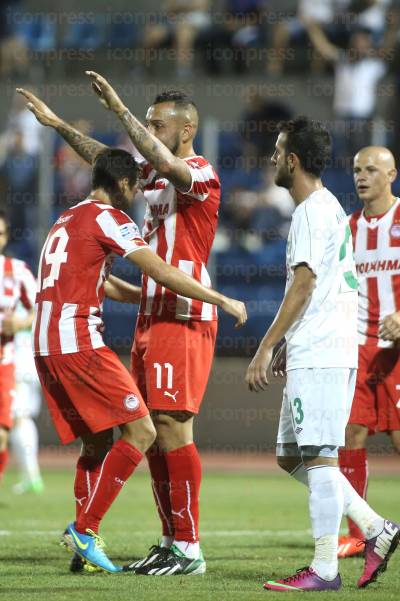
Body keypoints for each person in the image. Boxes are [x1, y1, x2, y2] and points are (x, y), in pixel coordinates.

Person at [17, 75, 226, 576]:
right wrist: (59, 125)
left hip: (181, 311)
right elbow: (112, 166)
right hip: (150, 316)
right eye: (146, 122)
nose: (147, 132)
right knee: (149, 431)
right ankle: (169, 538)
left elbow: (162, 161)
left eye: (158, 124)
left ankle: (189, 547)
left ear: (187, 128)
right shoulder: (148, 178)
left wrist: (117, 108)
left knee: (171, 426)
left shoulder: (198, 172)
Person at [245, 117, 399, 591]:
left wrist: (267, 344)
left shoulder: (312, 210)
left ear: (292, 161)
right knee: (291, 455)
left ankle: (325, 568)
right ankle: (376, 528)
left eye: (276, 152)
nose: (272, 159)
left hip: (323, 351)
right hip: (319, 347)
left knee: (319, 457)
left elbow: (305, 282)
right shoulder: (331, 208)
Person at [338, 146, 400, 558]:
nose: (362, 176)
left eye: (372, 169)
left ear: (392, 174)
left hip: (397, 351)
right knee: (351, 434)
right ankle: (359, 532)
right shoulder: (348, 227)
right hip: (358, 347)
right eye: (358, 170)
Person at [0, 210, 36, 484]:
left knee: (2, 432)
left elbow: (39, 308)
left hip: (5, 360)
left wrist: (21, 323)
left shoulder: (17, 271)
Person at [10, 303, 44, 495]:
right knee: (22, 418)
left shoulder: (11, 278)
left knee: (18, 418)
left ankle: (32, 477)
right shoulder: (28, 279)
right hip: (30, 359)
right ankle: (28, 476)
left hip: (18, 360)